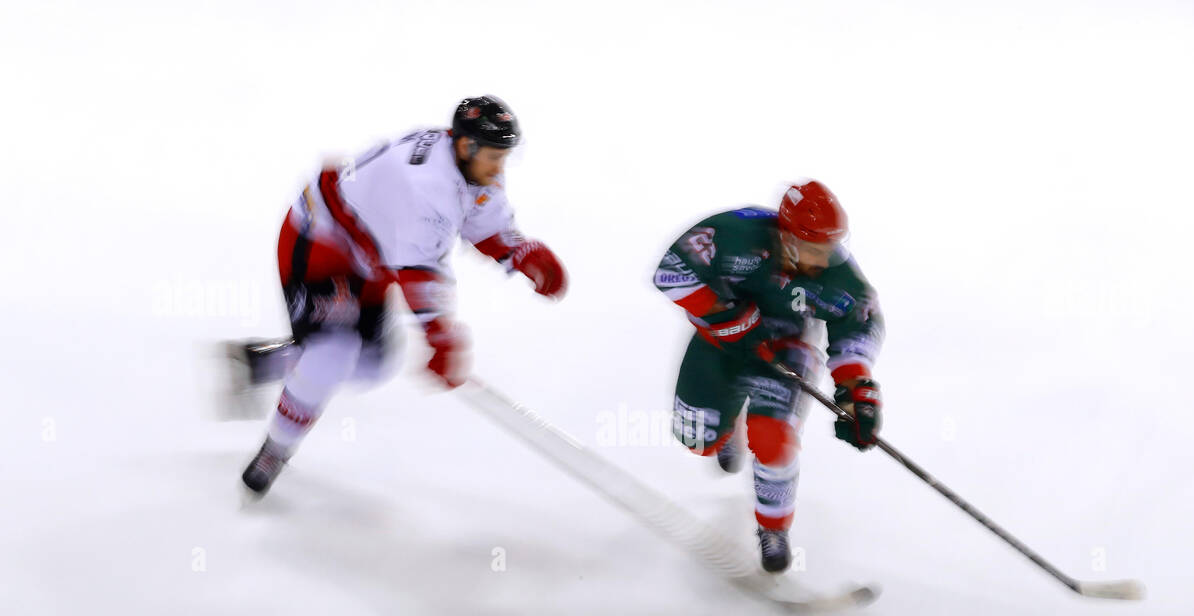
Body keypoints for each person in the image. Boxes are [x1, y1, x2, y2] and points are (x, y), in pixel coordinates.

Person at [229, 95, 567, 495]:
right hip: (320, 242)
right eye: (495, 157)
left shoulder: (475, 167)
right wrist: (441, 334)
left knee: (372, 366)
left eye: (503, 158)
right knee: (331, 355)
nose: (499, 170)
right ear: (465, 146)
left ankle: (268, 363)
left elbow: (483, 222)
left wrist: (520, 253)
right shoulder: (426, 188)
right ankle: (275, 448)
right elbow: (419, 272)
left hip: (371, 254)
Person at [651, 181, 885, 572]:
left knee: (772, 437)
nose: (822, 260)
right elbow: (670, 272)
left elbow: (857, 322)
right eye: (813, 248)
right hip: (720, 341)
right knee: (697, 440)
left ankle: (773, 528)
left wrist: (855, 389)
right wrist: (729, 318)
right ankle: (727, 427)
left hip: (786, 346)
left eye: (828, 248)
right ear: (786, 235)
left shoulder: (838, 274)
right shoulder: (736, 234)